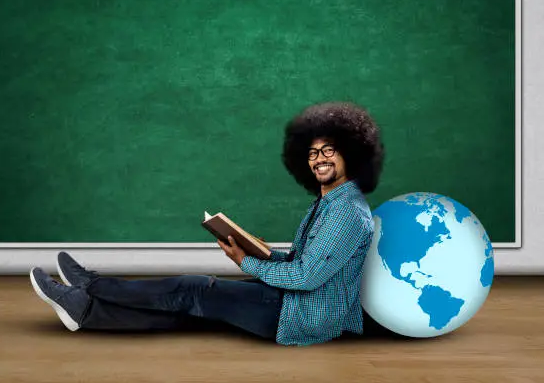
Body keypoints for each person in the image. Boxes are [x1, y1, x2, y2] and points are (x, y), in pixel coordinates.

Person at [29, 101, 385, 346]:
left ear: (350, 154)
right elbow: (301, 263)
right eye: (312, 153)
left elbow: (306, 278)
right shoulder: (327, 203)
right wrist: (260, 251)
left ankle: (92, 287)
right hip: (294, 302)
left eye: (328, 151)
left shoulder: (347, 212)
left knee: (196, 289)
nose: (318, 159)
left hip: (302, 316)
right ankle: (85, 312)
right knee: (192, 309)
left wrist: (245, 262)